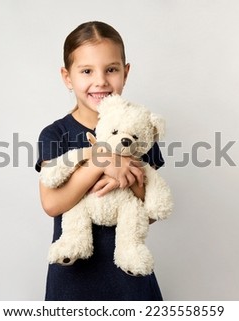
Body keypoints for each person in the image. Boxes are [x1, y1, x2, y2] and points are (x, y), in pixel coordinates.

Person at [36, 21, 165, 301]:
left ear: (125, 72)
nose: (101, 81)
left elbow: (152, 210)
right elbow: (52, 203)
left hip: (129, 276)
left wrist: (128, 177)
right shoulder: (56, 134)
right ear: (67, 77)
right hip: (72, 277)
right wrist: (101, 161)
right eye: (86, 71)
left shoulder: (140, 132)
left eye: (111, 69)